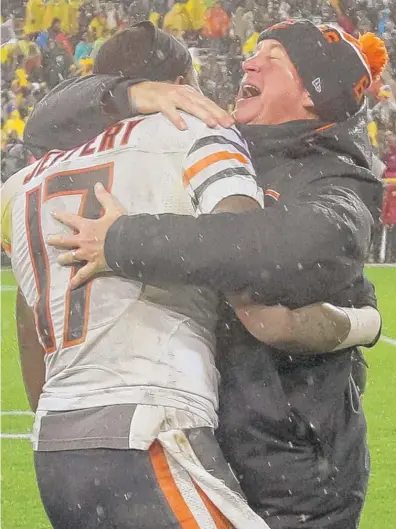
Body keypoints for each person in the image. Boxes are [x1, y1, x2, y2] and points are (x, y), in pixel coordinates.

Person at [26, 20, 386, 529]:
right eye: (254, 50)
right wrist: (128, 93)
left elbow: (281, 249)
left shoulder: (337, 179)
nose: (248, 62)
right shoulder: (220, 136)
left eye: (273, 57)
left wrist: (121, 240)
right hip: (206, 444)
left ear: (311, 94)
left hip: (295, 478)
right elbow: (41, 128)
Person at [2, 22, 269, 529]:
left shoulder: (31, 178)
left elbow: (27, 315)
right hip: (152, 425)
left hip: (58, 443)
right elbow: (243, 243)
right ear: (179, 81)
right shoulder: (193, 129)